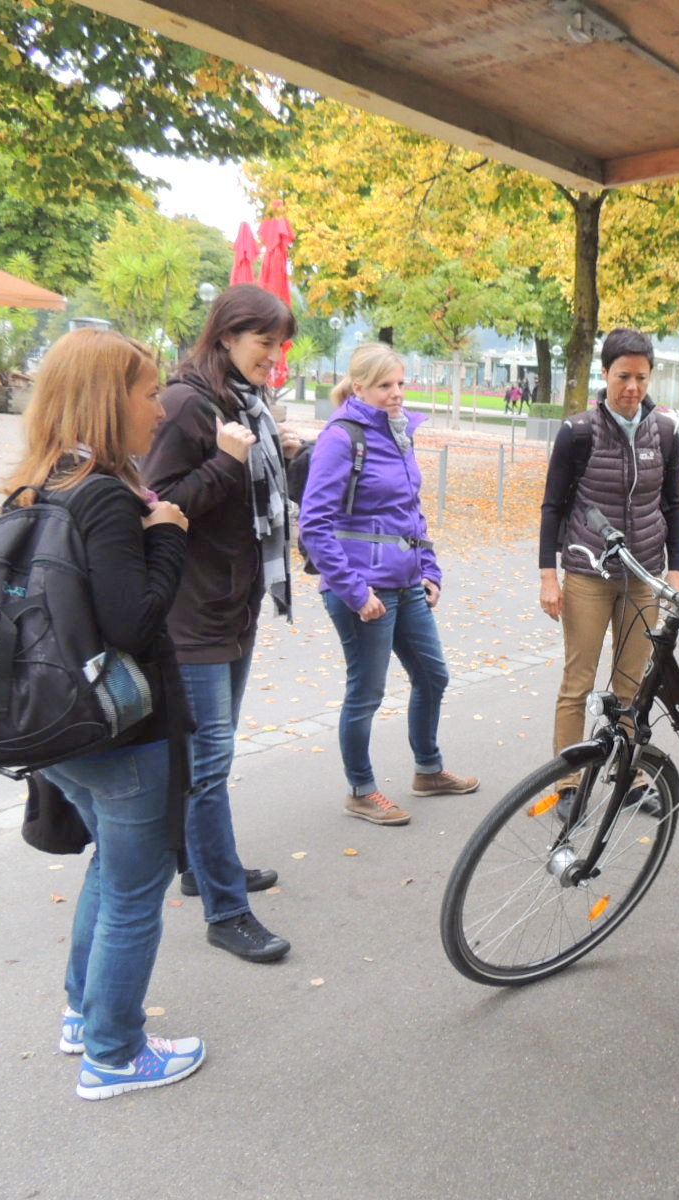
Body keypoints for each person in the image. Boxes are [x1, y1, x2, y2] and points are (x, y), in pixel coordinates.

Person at [3, 328, 205, 1099]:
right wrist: (170, 537)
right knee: (134, 890)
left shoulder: (38, 485)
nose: (160, 409)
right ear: (106, 400)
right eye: (149, 393)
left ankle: (83, 1016)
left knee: (112, 870)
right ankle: (114, 1054)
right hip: (122, 733)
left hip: (57, 725)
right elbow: (134, 622)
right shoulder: (107, 497)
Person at [143, 283, 298, 965]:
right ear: (228, 334)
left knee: (209, 756)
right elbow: (158, 504)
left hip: (234, 605)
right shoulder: (186, 403)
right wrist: (226, 462)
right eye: (265, 342)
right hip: (194, 614)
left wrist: (279, 454)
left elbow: (250, 501)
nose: (274, 356)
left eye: (279, 345)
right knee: (209, 767)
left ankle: (200, 865)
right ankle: (226, 910)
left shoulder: (244, 403)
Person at [300, 343, 478, 824]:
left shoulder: (399, 433)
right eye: (385, 385)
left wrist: (430, 569)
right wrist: (356, 593)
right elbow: (314, 525)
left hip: (406, 583)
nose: (397, 393)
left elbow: (410, 511)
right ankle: (361, 790)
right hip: (363, 590)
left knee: (433, 675)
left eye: (400, 382)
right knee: (367, 694)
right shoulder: (342, 437)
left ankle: (428, 771)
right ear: (358, 387)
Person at [538, 328, 679, 801]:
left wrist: (676, 570)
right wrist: (548, 576)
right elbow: (553, 506)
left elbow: (673, 504)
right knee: (578, 683)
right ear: (605, 374)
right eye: (623, 376)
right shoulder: (578, 432)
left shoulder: (665, 432)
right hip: (588, 575)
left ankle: (628, 777)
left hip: (643, 575)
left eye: (641, 377)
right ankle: (567, 783)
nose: (632, 387)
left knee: (631, 685)